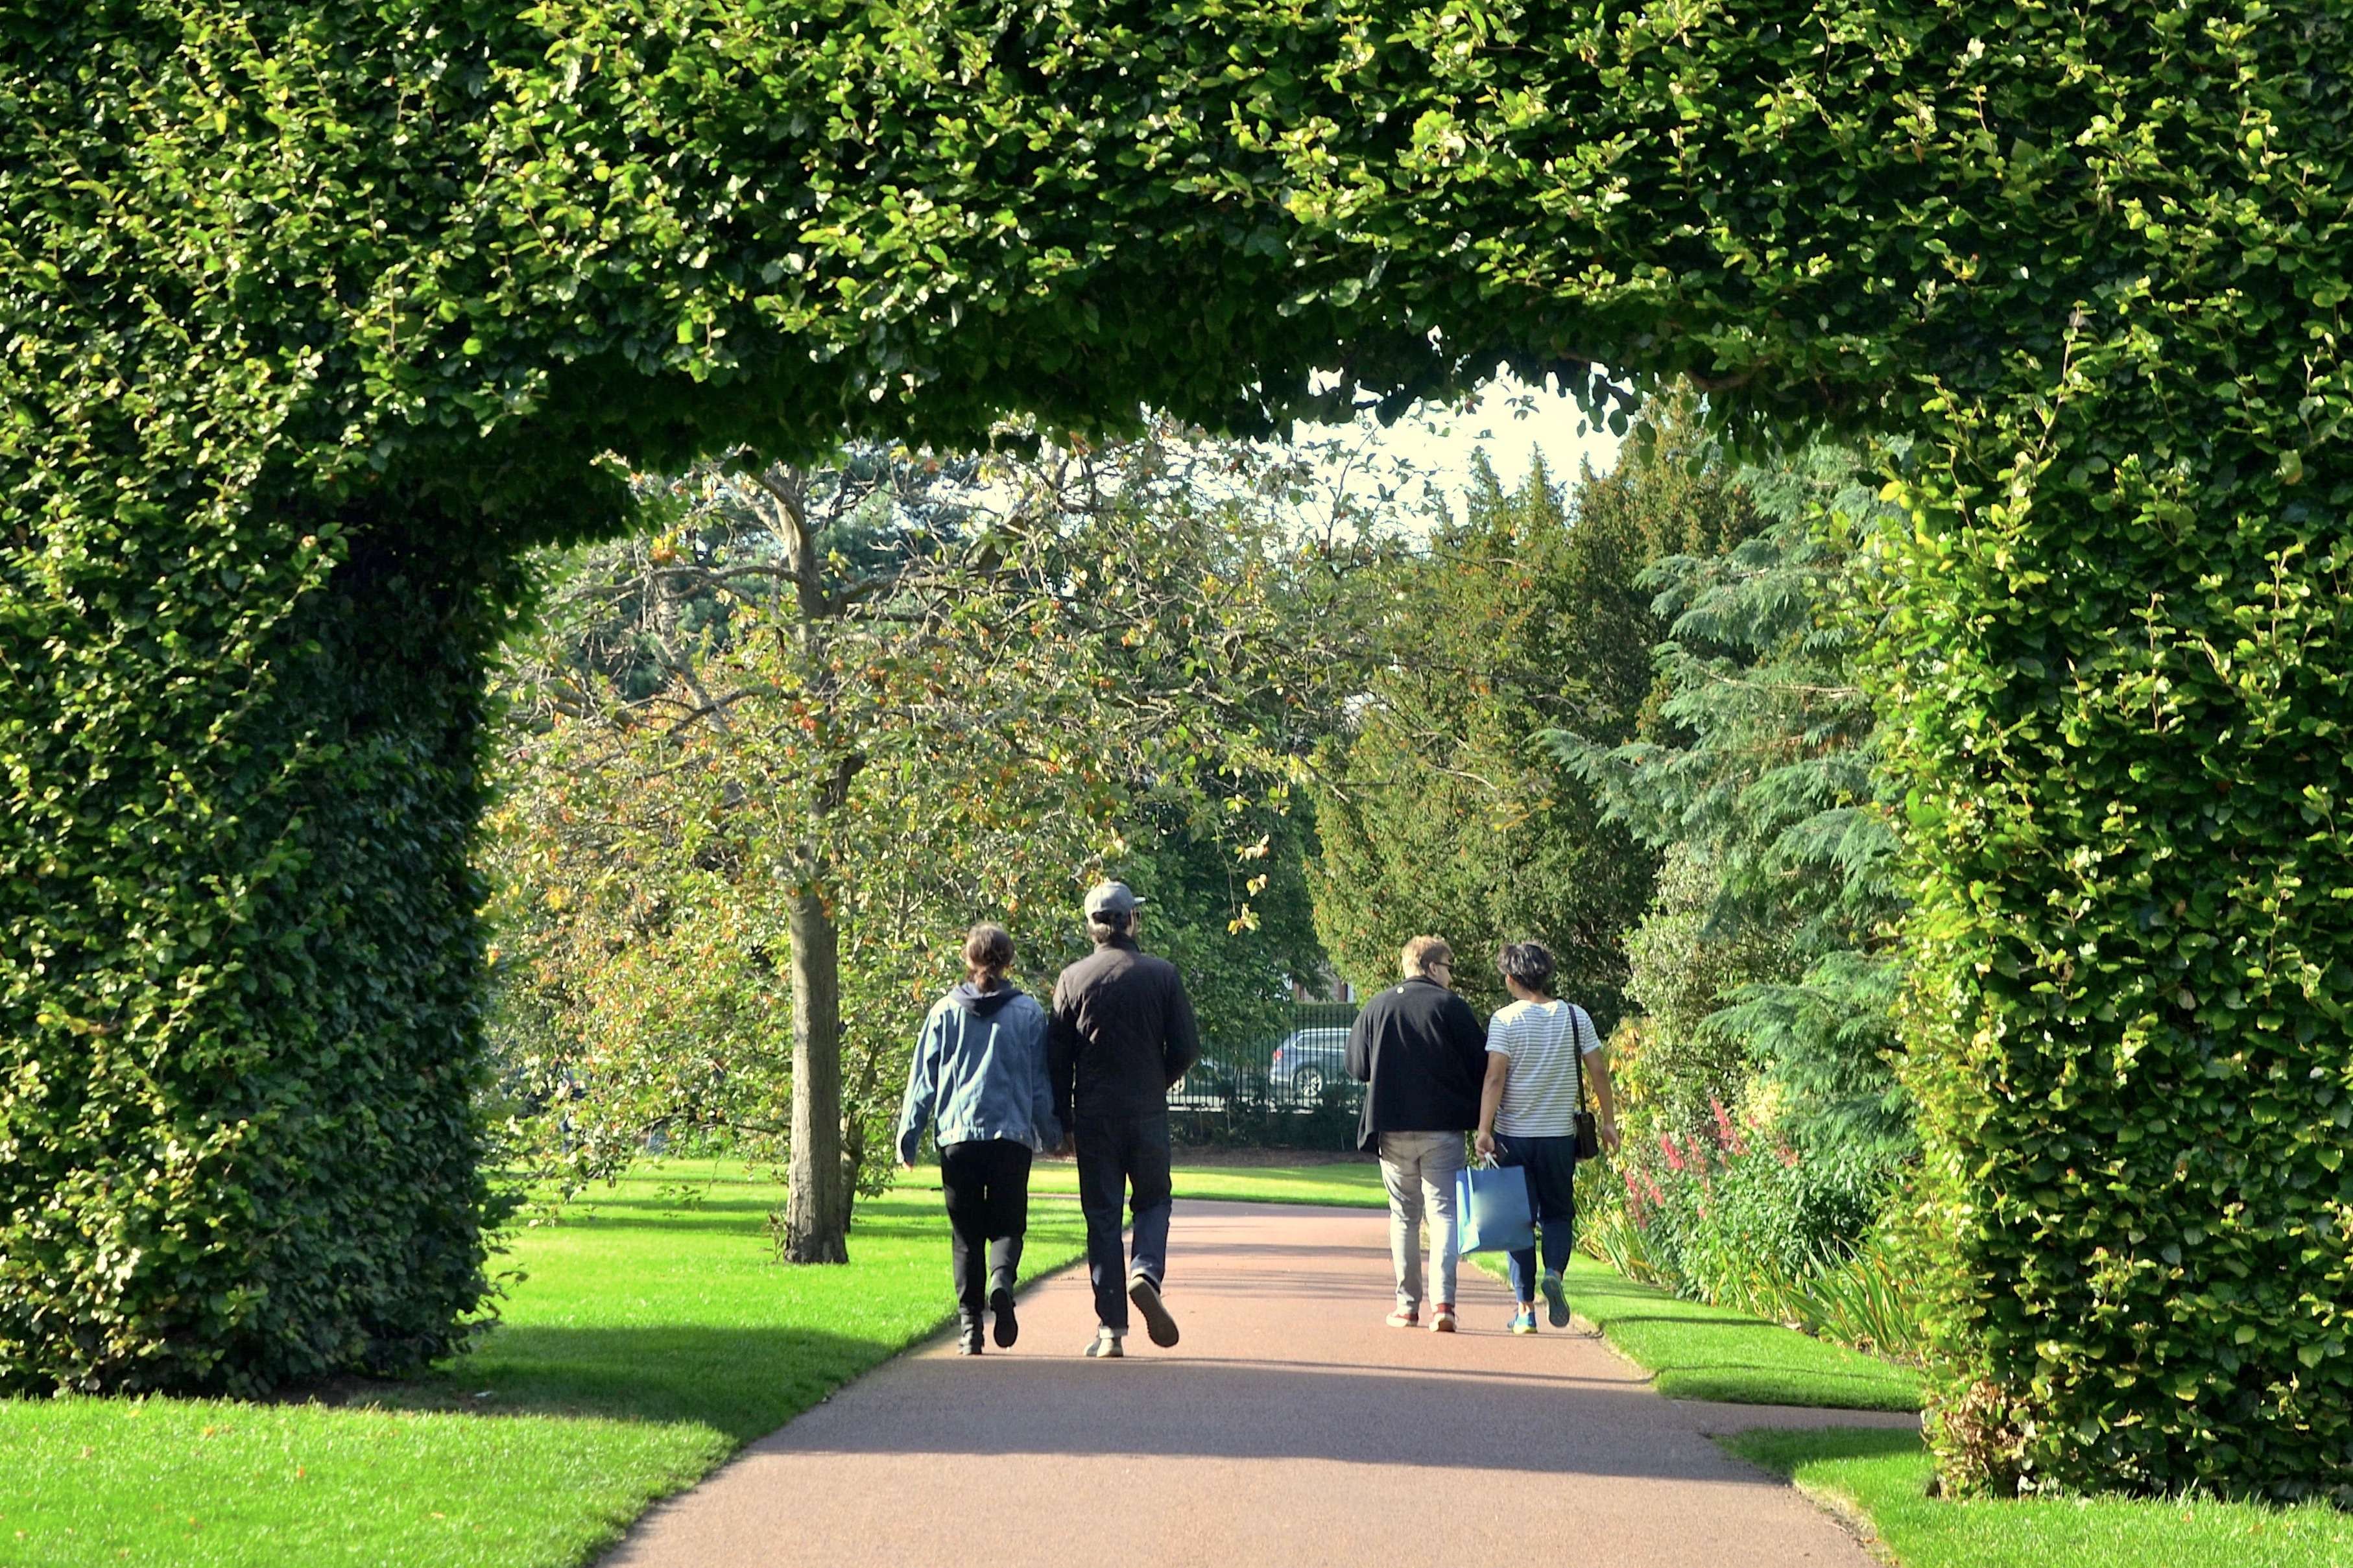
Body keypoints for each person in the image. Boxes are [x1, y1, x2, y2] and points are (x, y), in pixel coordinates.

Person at [1047, 880, 1199, 1359]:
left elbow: (1057, 1060)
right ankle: (1146, 1270)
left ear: (1091, 928)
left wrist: (1063, 1122)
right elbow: (1187, 1048)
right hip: (1146, 1110)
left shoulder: (1072, 979)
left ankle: (1111, 1329)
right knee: (1153, 1200)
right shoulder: (1162, 974)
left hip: (1094, 1116)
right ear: (1132, 920)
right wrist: (1157, 1080)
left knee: (1102, 1218)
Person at [896, 923, 1061, 1355]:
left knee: (966, 1236)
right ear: (1009, 962)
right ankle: (1001, 1281)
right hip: (1011, 1138)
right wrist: (1053, 1134)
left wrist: (908, 1136)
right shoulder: (1028, 1013)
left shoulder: (944, 1012)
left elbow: (923, 1081)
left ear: (968, 960)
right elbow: (1039, 1085)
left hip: (958, 1137)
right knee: (1008, 1225)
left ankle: (971, 1328)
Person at [1475, 940, 1620, 1335]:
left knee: (1518, 1223)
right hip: (1559, 1138)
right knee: (1558, 1214)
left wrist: (1484, 1129)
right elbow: (1598, 1071)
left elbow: (1495, 1077)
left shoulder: (1505, 1020)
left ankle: (1525, 1311)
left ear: (1511, 978)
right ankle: (1554, 1272)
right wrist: (1608, 1121)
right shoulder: (1575, 1016)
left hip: (1513, 1138)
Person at [1344, 935, 1487, 1332]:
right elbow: (1481, 1065)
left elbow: (1356, 1067)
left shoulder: (1378, 1006)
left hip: (1391, 1126)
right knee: (1443, 1214)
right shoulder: (1452, 1007)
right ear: (1432, 967)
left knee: (1404, 1215)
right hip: (1442, 1127)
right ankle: (1444, 1306)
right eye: (1449, 967)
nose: (1451, 977)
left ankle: (1407, 1307)